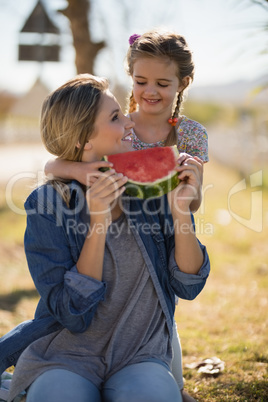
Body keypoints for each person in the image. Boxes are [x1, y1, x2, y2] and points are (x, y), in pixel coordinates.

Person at [6, 73, 210, 402]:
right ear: (84, 139)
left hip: (139, 352)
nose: (129, 122)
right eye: (116, 117)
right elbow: (71, 313)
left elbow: (189, 285)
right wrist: (97, 221)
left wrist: (181, 210)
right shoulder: (47, 205)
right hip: (65, 356)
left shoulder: (149, 189)